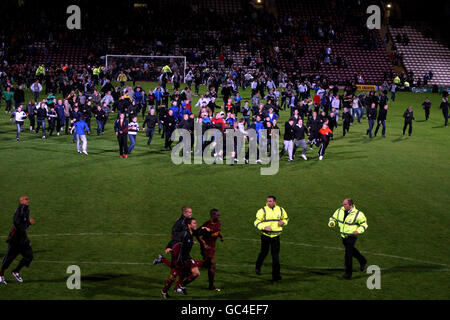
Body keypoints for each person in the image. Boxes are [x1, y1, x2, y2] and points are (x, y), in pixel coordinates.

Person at [160, 217, 200, 298]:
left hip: (187, 258)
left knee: (196, 273)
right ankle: (164, 291)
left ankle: (181, 285)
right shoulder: (184, 233)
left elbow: (200, 231)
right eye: (194, 223)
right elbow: (174, 240)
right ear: (189, 225)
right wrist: (168, 247)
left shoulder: (192, 232)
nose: (196, 224)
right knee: (173, 277)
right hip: (180, 259)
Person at [328, 198, 368, 279]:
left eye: (345, 204)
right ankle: (362, 260)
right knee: (352, 250)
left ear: (351, 205)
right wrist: (331, 223)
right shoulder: (339, 211)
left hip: (351, 236)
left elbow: (364, 224)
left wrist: (358, 230)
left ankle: (348, 274)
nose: (343, 206)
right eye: (343, 204)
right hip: (343, 236)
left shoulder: (358, 214)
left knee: (348, 255)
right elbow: (333, 218)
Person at [0, 196, 35, 285]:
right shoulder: (19, 211)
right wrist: (28, 224)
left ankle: (15, 271)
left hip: (23, 238)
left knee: (29, 256)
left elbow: (25, 225)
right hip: (15, 239)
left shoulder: (26, 209)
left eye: (28, 199)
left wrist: (28, 224)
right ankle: (0, 275)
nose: (28, 200)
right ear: (21, 201)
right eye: (26, 199)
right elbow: (17, 225)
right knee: (9, 258)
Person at [254, 196, 289, 282]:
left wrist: (283, 222)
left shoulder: (280, 210)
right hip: (266, 236)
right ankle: (258, 266)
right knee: (264, 252)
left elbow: (286, 218)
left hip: (276, 237)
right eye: (268, 201)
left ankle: (276, 276)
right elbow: (256, 222)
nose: (268, 203)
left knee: (275, 257)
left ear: (275, 202)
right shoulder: (262, 211)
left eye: (270, 201)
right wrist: (264, 227)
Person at [196, 209, 224, 291]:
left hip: (212, 247)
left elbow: (217, 231)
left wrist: (221, 236)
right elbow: (198, 235)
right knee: (212, 264)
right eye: (217, 215)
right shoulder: (206, 225)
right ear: (212, 215)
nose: (219, 216)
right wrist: (204, 244)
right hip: (206, 248)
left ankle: (189, 265)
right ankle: (211, 286)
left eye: (219, 215)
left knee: (207, 264)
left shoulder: (218, 222)